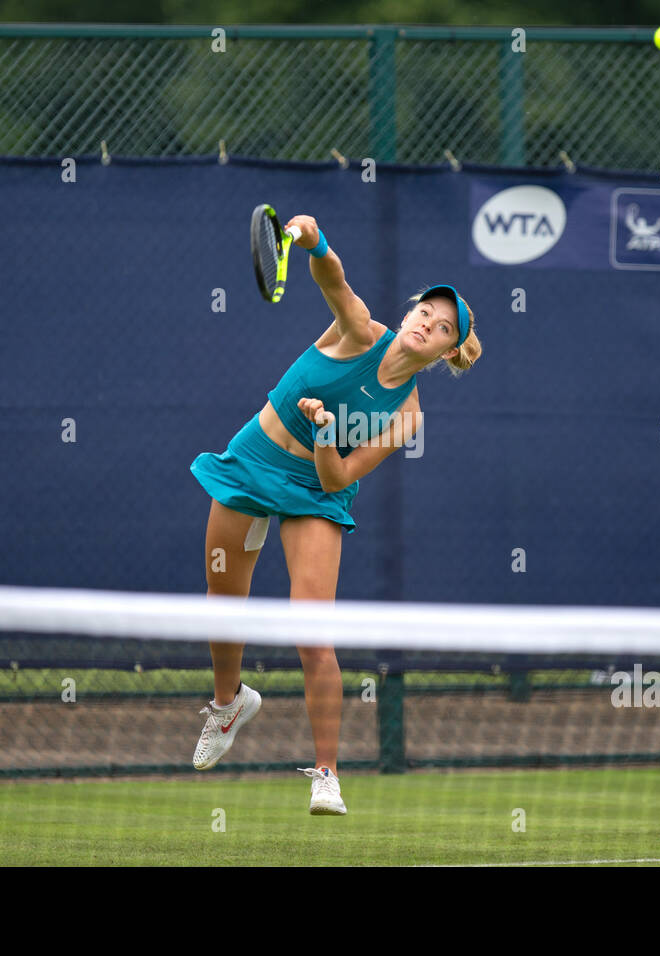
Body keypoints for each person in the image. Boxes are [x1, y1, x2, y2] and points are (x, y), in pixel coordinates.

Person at [188, 214, 482, 814]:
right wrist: (312, 239)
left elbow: (338, 477)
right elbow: (333, 279)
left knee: (312, 633)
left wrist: (327, 434)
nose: (429, 322)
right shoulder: (358, 329)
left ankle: (326, 773)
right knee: (223, 602)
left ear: (448, 349)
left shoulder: (407, 417)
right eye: (426, 310)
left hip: (316, 490)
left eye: (443, 326)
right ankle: (228, 704)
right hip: (253, 461)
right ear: (409, 315)